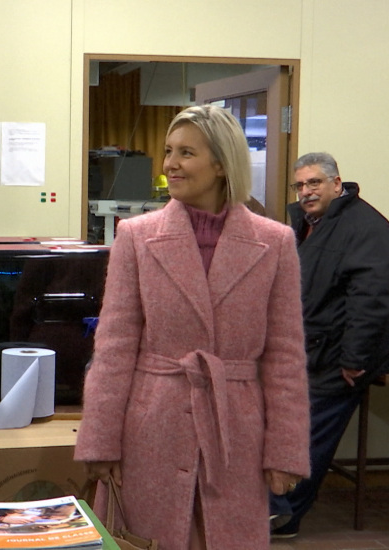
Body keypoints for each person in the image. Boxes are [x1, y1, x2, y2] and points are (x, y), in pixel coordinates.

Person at [74, 104, 310, 549]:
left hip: (235, 431)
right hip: (151, 429)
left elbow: (285, 355)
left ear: (221, 164)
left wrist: (285, 449)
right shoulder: (136, 236)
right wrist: (100, 441)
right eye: (168, 151)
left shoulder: (274, 242)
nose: (170, 164)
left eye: (186, 153)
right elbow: (115, 346)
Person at [269, 152, 389, 539]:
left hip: (337, 361)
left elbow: (371, 301)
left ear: (337, 184)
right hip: (307, 352)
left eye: (314, 183)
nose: (305, 192)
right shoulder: (311, 224)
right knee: (288, 431)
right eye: (299, 185)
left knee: (308, 439)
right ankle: (275, 508)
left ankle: (283, 516)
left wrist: (354, 359)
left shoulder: (365, 228)